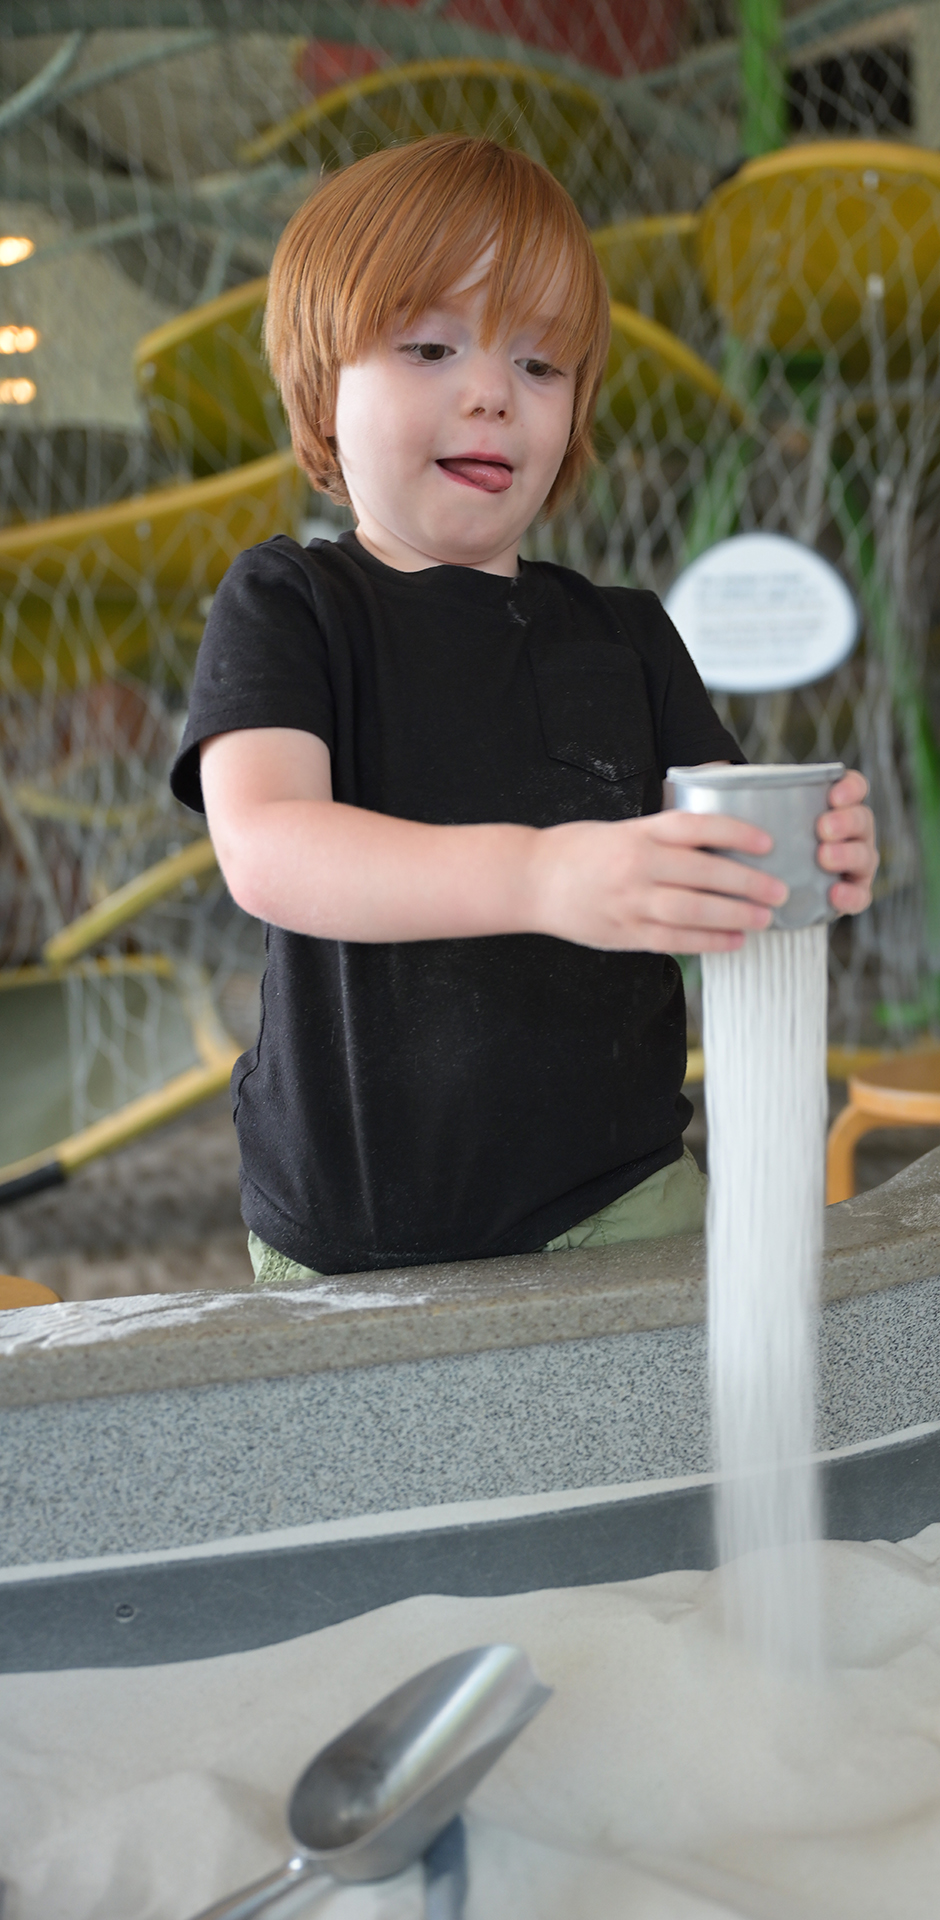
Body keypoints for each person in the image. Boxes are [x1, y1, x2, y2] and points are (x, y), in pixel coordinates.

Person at [171, 134, 877, 1281]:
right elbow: (271, 849)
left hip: (621, 1191)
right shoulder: (292, 605)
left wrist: (816, 851)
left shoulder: (624, 635)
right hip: (358, 1222)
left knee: (662, 1453)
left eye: (541, 367)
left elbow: (727, 857)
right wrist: (545, 878)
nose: (493, 392)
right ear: (320, 389)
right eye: (430, 347)